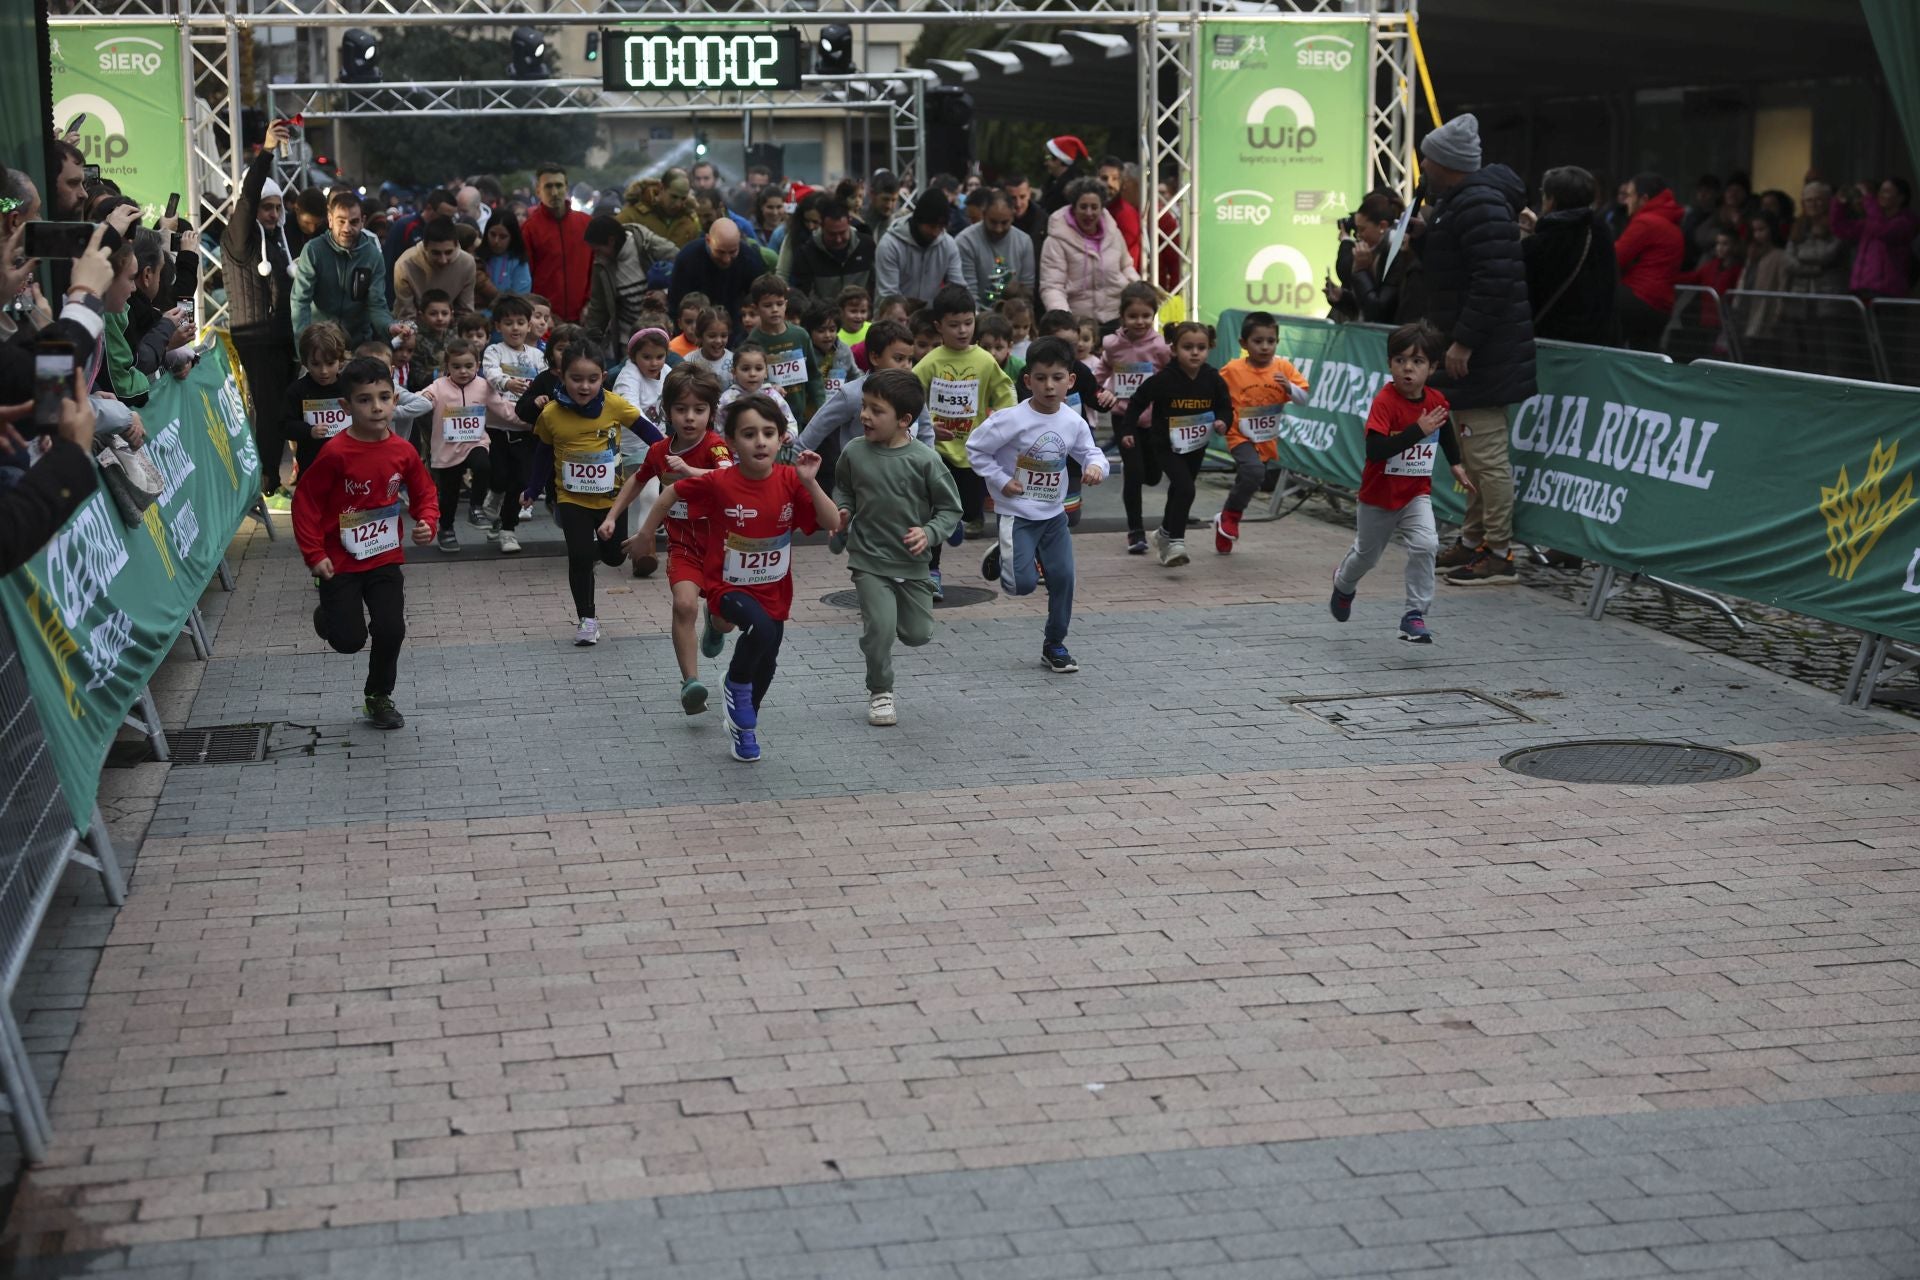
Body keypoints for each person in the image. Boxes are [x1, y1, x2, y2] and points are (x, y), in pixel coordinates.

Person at [629, 395, 838, 763]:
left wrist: (811, 482)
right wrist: (647, 534)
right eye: (749, 434)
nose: (760, 441)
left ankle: (744, 727)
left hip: (774, 589)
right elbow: (672, 492)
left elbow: (832, 522)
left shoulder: (791, 480)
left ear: (781, 438)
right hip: (727, 587)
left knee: (768, 658)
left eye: (769, 433)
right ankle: (734, 684)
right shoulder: (721, 482)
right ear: (733, 442)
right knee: (759, 630)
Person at [1409, 112, 1534, 587]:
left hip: (1484, 353)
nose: (1422, 164)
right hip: (1479, 349)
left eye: (1427, 157)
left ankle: (1499, 553)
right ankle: (1473, 539)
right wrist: (1426, 241)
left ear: (1446, 162)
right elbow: (1462, 267)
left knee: (1487, 458)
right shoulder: (1463, 202)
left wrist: (1464, 341)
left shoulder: (1478, 203)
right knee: (1476, 454)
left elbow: (1493, 279)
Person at [292, 355, 439, 730]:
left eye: (385, 397)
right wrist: (315, 554)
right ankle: (328, 617)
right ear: (346, 406)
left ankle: (378, 696)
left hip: (384, 557)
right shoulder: (336, 453)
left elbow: (424, 492)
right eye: (365, 399)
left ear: (395, 400)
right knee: (348, 641)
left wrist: (427, 523)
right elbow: (306, 502)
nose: (376, 407)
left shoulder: (403, 451)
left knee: (392, 629)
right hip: (339, 562)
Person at [821, 368, 961, 727]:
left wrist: (929, 533)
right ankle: (880, 691)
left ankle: (905, 608)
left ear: (904, 420)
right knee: (880, 629)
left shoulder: (925, 460)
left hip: (912, 563)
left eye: (876, 410)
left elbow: (950, 510)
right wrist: (844, 509)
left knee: (917, 634)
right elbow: (844, 489)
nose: (865, 415)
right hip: (868, 557)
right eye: (864, 407)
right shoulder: (853, 452)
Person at [967, 336, 1107, 675]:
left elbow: (1091, 452)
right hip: (1017, 514)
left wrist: (1095, 468)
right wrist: (1001, 481)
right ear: (1028, 380)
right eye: (1041, 378)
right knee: (1021, 586)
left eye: (1057, 377)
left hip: (1053, 516)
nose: (1049, 386)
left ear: (1070, 381)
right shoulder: (1010, 419)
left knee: (1064, 580)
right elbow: (975, 448)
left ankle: (1054, 644)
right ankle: (1004, 551)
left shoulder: (1073, 422)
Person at [1329, 321, 1472, 645]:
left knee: (1426, 545)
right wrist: (1416, 432)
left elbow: (1444, 429)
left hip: (1415, 494)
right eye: (1400, 360)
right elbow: (1376, 450)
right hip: (1378, 497)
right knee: (1367, 556)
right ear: (1390, 363)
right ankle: (1343, 584)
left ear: (1432, 367)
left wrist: (1455, 464)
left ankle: (1414, 615)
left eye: (1418, 362)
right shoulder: (1385, 401)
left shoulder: (1435, 400)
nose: (1408, 368)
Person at [600, 364, 733, 712]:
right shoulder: (659, 451)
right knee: (684, 605)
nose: (690, 418)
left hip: (723, 549)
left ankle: (716, 626)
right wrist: (613, 517)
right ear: (666, 411)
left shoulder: (716, 447)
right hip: (684, 548)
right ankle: (690, 683)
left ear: (711, 412)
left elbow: (729, 476)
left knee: (724, 617)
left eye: (699, 410)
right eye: (681, 409)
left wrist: (690, 471)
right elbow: (638, 480)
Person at [526, 342, 662, 643]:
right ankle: (587, 619)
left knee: (614, 557)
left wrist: (670, 454)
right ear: (563, 377)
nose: (584, 386)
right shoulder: (550, 414)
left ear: (603, 377)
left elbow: (649, 431)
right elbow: (542, 453)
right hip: (570, 497)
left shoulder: (614, 405)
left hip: (612, 499)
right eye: (576, 379)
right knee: (580, 556)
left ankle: (598, 556)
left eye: (592, 379)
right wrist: (533, 488)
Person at [914, 284, 1015, 597]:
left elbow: (1006, 391)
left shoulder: (984, 360)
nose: (962, 330)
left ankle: (957, 520)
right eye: (954, 325)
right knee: (935, 511)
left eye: (968, 323)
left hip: (973, 452)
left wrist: (1002, 421)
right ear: (939, 326)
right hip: (938, 452)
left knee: (971, 510)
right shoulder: (931, 362)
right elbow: (909, 397)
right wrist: (927, 426)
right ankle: (932, 572)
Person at [223, 119, 301, 502]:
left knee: (289, 406)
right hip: (255, 336)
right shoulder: (239, 237)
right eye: (266, 207)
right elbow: (248, 197)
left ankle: (283, 474)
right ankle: (266, 479)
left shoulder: (279, 240)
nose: (271, 214)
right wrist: (266, 152)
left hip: (282, 337)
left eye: (277, 207)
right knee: (269, 409)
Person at [1113, 321, 1230, 569]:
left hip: (1196, 445)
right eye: (1188, 347)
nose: (1195, 352)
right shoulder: (1165, 378)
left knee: (1179, 490)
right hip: (1165, 445)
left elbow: (1225, 405)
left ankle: (1164, 533)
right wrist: (1127, 430)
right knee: (1186, 489)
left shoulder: (1212, 378)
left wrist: (1222, 421)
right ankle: (1175, 541)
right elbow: (1137, 401)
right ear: (1174, 349)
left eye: (1201, 347)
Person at [1216, 311, 1310, 554]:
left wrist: (1289, 387)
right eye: (1258, 341)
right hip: (1239, 434)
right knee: (1253, 471)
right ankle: (1232, 516)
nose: (1265, 347)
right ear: (1243, 344)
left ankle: (1225, 519)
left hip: (1266, 438)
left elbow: (1304, 399)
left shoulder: (1284, 367)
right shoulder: (1232, 370)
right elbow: (1215, 392)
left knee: (1252, 478)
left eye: (1271, 341)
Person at [1090, 282, 1170, 555]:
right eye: (1133, 316)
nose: (1140, 321)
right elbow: (1101, 372)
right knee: (1134, 475)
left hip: (1153, 419)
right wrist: (1098, 392)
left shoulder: (1160, 346)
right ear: (1122, 316)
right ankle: (1136, 532)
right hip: (1124, 417)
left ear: (1153, 315)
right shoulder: (1113, 344)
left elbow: (1172, 376)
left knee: (1153, 476)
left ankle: (1138, 468)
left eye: (1146, 316)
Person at [421, 338, 513, 550]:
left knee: (483, 466)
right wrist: (420, 397)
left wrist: (528, 419)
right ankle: (446, 529)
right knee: (449, 495)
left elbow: (504, 408)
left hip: (475, 442)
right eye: (456, 366)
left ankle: (476, 507)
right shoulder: (438, 386)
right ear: (447, 367)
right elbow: (422, 399)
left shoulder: (484, 386)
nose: (463, 371)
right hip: (447, 449)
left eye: (469, 366)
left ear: (478, 366)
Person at [1520, 165, 1618, 346]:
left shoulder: (1537, 246)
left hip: (1549, 344)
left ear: (1551, 201)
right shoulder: (1601, 231)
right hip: (1595, 343)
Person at [291, 190, 396, 347]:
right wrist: (305, 346)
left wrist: (389, 327)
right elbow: (300, 301)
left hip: (358, 343)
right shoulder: (313, 250)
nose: (347, 228)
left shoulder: (373, 256)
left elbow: (377, 304)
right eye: (341, 221)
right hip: (321, 344)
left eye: (353, 222)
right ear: (330, 220)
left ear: (363, 221)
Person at [1039, 177, 1139, 329]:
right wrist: (1065, 321)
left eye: (1094, 207)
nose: (1089, 213)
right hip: (1078, 323)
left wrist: (1137, 290)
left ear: (1102, 208)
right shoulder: (1056, 240)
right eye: (1083, 207)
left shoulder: (1114, 233)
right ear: (1073, 207)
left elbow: (1126, 266)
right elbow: (1052, 286)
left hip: (1116, 318)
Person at [582, 213, 676, 359]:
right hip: (627, 339)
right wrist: (587, 344)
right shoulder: (601, 265)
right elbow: (598, 309)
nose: (596, 255)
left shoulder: (646, 244)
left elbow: (681, 266)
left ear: (611, 241)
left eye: (598, 250)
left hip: (661, 333)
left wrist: (665, 292)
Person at [1612, 173, 1685, 351]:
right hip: (1662, 306)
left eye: (1629, 195)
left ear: (1643, 199)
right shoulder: (1671, 226)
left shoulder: (1646, 222)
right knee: (1645, 359)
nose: (1625, 201)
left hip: (1638, 298)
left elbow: (1615, 257)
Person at [740, 275, 822, 426]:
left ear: (786, 304)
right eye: (768, 305)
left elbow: (814, 375)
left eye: (779, 304)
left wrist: (821, 407)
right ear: (756, 307)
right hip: (768, 417)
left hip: (801, 416)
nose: (775, 310)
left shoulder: (800, 335)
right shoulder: (753, 342)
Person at [667, 219, 764, 343]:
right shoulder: (688, 258)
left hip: (735, 330)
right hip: (695, 333)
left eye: (733, 252)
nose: (726, 259)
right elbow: (675, 304)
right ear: (708, 240)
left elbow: (757, 298)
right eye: (720, 252)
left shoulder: (749, 258)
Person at [1326, 191, 1411, 324]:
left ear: (1382, 226)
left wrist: (1360, 271)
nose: (1358, 236)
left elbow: (1378, 311)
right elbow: (1365, 304)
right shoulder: (1377, 251)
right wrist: (1342, 297)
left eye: (1362, 229)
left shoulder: (1396, 253)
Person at [523, 164, 592, 323]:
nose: (554, 192)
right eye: (548, 186)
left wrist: (590, 303)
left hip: (584, 317)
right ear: (538, 190)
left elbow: (594, 269)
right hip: (545, 321)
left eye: (559, 185)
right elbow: (526, 278)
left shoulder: (586, 223)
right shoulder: (529, 229)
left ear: (566, 187)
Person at [875, 189, 964, 309]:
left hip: (931, 319)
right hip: (893, 318)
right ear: (918, 220)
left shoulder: (948, 245)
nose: (936, 232)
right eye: (931, 226)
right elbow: (888, 297)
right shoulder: (890, 245)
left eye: (941, 227)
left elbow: (958, 289)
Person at [285, 320, 351, 480]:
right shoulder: (297, 391)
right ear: (305, 362)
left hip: (348, 467)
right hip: (312, 466)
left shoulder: (350, 389)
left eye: (330, 363)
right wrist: (309, 431)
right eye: (316, 364)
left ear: (341, 360)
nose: (323, 371)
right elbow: (285, 425)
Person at [1833, 178, 1916, 300]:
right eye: (1880, 191)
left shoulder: (1905, 222)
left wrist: (1868, 200)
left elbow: (1882, 230)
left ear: (1901, 198)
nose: (1880, 195)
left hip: (1887, 292)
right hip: (1862, 290)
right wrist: (1838, 204)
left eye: (1886, 192)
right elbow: (1841, 229)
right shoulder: (1872, 221)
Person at [954, 191, 1036, 308]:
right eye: (993, 222)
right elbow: (968, 293)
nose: (998, 229)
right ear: (984, 214)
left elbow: (1028, 292)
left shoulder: (1024, 242)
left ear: (1013, 216)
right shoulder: (965, 242)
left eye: (1004, 223)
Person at [788, 199, 876, 302]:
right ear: (821, 226)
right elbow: (805, 297)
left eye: (842, 233)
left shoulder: (867, 246)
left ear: (849, 223)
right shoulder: (806, 253)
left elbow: (875, 287)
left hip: (863, 316)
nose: (838, 240)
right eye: (832, 234)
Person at [392, 218, 476, 322]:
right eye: (436, 253)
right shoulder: (405, 264)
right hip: (413, 325)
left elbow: (465, 312)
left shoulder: (467, 263)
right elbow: (407, 316)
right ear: (425, 247)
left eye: (448, 252)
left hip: (450, 326)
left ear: (456, 245)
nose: (443, 260)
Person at [1737, 211, 1790, 343]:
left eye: (1762, 229)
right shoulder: (1752, 253)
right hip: (1746, 309)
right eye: (1754, 230)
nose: (1757, 234)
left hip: (1767, 313)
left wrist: (1778, 314)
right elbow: (1744, 279)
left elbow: (1783, 286)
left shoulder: (1780, 255)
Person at [620, 175, 702, 247]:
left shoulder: (689, 222)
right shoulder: (632, 215)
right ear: (662, 189)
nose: (678, 204)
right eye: (674, 197)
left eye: (683, 198)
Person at [474, 207, 531, 309]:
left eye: (503, 237)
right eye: (492, 234)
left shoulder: (518, 263)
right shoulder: (476, 258)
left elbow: (521, 300)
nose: (496, 241)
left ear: (512, 237)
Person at [1095, 157, 1143, 270]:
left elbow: (1129, 259)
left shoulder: (1125, 214)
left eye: (1115, 179)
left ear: (1122, 183)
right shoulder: (1099, 210)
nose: (1109, 183)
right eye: (1104, 178)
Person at [1039, 135, 1092, 216]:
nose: (1045, 163)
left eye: (1047, 157)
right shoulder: (1053, 182)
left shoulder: (1071, 189)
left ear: (1059, 159)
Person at [683, 306, 736, 385]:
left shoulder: (735, 361)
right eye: (712, 336)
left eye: (723, 336)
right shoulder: (689, 361)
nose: (718, 341)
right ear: (700, 335)